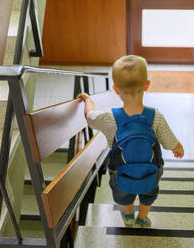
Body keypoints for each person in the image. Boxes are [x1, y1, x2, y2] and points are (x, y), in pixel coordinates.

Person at [77, 55, 184, 228]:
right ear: (147, 85)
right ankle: (142, 219)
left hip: (120, 172)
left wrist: (88, 100)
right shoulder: (156, 117)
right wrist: (178, 148)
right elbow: (171, 143)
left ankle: (128, 216)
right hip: (151, 170)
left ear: (115, 89)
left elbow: (89, 117)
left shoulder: (108, 118)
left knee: (123, 195)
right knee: (148, 194)